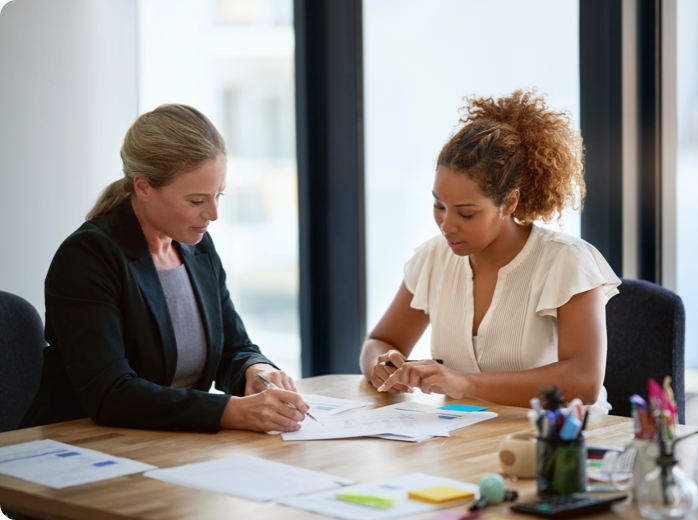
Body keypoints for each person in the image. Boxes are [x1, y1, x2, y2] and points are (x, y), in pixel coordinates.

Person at [21, 104, 309, 433]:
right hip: (83, 447)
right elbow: (111, 394)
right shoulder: (87, 257)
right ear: (143, 187)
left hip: (169, 444)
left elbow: (234, 348)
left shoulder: (196, 247)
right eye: (197, 201)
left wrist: (256, 371)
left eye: (219, 195)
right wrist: (232, 412)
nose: (213, 214)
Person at [360, 90, 620, 411]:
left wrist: (465, 383)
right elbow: (379, 342)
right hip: (466, 440)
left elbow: (585, 381)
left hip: (558, 443)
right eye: (439, 206)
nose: (447, 225)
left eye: (466, 213)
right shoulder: (433, 258)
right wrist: (383, 365)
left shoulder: (566, 261)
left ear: (509, 202)